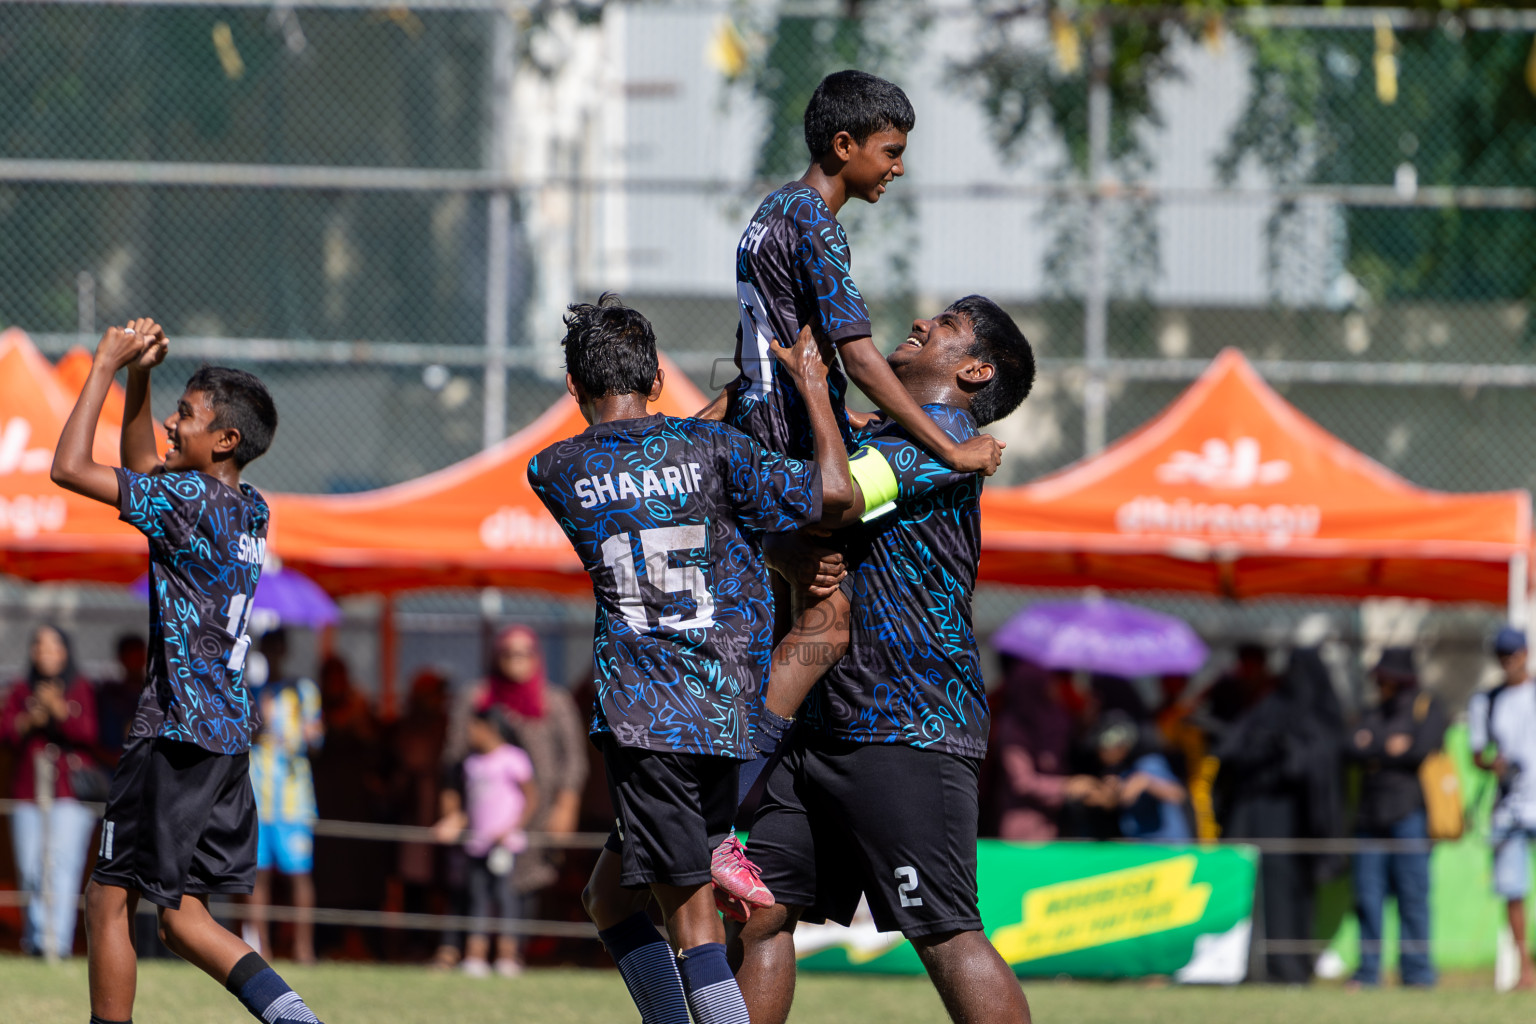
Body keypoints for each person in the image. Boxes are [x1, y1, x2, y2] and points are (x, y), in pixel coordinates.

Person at [528, 295, 850, 1024]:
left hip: (647, 722)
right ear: (657, 381)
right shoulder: (716, 451)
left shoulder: (552, 469)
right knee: (608, 897)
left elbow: (646, 460)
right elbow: (835, 492)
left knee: (693, 925)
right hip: (729, 713)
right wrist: (809, 394)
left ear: (574, 390)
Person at [717, 70, 1004, 845]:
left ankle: (725, 805)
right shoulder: (817, 221)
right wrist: (951, 445)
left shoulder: (770, 212)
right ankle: (721, 807)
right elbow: (860, 354)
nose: (899, 168)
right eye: (891, 151)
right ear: (845, 147)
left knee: (798, 622)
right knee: (829, 620)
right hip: (784, 457)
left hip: (761, 436)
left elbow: (763, 358)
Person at [734, 297, 1036, 1024]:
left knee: (944, 932)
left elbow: (826, 504)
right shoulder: (888, 436)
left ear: (974, 370)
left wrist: (812, 389)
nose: (925, 321)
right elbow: (792, 527)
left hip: (908, 726)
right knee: (761, 914)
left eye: (951, 324)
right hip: (820, 722)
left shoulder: (941, 442)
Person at [50, 319, 325, 1024]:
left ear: (225, 440)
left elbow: (70, 468)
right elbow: (148, 469)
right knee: (185, 918)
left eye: (188, 416)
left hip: (172, 736)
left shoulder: (183, 502)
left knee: (108, 902)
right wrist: (144, 380)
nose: (173, 424)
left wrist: (107, 366)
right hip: (228, 740)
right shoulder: (250, 510)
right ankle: (297, 1019)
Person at [444, 623, 589, 960]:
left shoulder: (554, 701)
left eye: (524, 653)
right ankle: (467, 951)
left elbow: (573, 762)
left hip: (535, 816)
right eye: (508, 653)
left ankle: (515, 954)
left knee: (527, 884)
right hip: (482, 814)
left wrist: (565, 807)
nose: (516, 660)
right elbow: (452, 758)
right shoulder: (477, 697)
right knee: (474, 884)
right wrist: (452, 809)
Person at [1213, 647, 1345, 984]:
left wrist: (1290, 753)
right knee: (1260, 891)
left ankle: (1289, 967)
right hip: (1264, 817)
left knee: (1290, 891)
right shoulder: (1271, 709)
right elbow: (1231, 750)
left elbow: (1322, 763)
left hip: (1297, 821)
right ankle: (1259, 967)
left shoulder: (1314, 714)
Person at [1344, 646, 1444, 989]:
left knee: (1412, 895)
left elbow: (1420, 749)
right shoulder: (1374, 712)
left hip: (1409, 814)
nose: (1380, 685)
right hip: (1370, 817)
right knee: (1368, 897)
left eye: (1386, 679)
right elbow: (1351, 748)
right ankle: (1368, 972)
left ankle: (1417, 973)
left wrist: (1375, 745)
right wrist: (1388, 746)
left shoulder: (1425, 707)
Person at [1, 623, 101, 957]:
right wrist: (32, 716)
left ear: (65, 650)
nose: (45, 653)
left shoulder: (81, 687)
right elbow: (6, 732)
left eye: (53, 646)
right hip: (28, 794)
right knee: (30, 869)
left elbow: (89, 733)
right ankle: (35, 942)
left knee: (62, 866)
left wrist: (58, 709)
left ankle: (55, 944)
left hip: (70, 795)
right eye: (39, 646)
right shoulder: (20, 689)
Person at [434, 708, 538, 978]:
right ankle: (475, 955)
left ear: (489, 728)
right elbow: (473, 804)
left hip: (505, 845)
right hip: (477, 844)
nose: (469, 734)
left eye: (473, 728)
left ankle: (507, 956)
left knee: (506, 899)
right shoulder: (471, 763)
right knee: (476, 899)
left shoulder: (513, 759)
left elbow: (531, 797)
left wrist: (512, 827)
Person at [246, 628, 324, 964]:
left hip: (294, 799)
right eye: (270, 648)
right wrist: (256, 718)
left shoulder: (304, 691)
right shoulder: (250, 691)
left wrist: (313, 734)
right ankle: (261, 948)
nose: (275, 653)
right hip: (258, 797)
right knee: (257, 875)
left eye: (280, 647)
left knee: (299, 875)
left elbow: (318, 741)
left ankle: (303, 949)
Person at [1469, 626, 1536, 991]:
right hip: (1509, 807)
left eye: (1513, 654)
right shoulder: (1488, 700)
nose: (1508, 662)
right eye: (1502, 655)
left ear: (1526, 653)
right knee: (1513, 889)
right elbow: (1477, 754)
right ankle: (1526, 970)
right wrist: (1494, 765)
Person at [988, 656, 1103, 841]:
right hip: (1024, 830)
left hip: (1056, 824)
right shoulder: (1013, 729)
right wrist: (1067, 787)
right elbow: (1023, 782)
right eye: (1046, 685)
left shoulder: (1052, 719)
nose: (1053, 690)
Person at [1093, 711, 1191, 842]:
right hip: (1140, 846)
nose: (1100, 753)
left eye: (1105, 748)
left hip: (1167, 847)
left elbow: (1178, 794)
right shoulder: (1119, 770)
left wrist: (1147, 782)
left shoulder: (1148, 764)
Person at [96, 635, 147, 762]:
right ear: (120, 658)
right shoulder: (109, 694)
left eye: (138, 654)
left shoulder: (154, 692)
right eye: (130, 655)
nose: (135, 660)